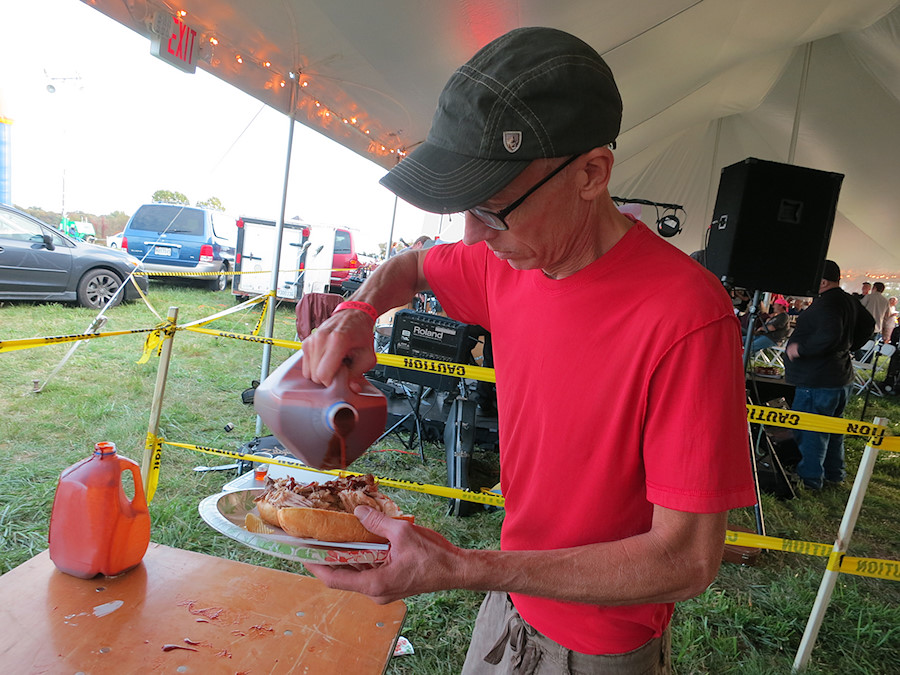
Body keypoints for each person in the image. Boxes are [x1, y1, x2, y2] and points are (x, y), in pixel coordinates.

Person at [299, 27, 756, 673]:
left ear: (592, 173)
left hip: (599, 646)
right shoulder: (506, 262)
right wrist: (357, 309)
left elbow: (684, 558)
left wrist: (462, 566)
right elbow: (410, 266)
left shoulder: (685, 314)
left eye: (492, 210)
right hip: (510, 597)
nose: (472, 236)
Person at [784, 260, 874, 490]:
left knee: (812, 431)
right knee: (833, 430)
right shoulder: (848, 300)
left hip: (818, 379)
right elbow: (868, 325)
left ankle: (810, 479)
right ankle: (834, 475)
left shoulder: (827, 304)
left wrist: (800, 349)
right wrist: (850, 346)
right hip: (839, 376)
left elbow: (829, 334)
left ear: (822, 282)